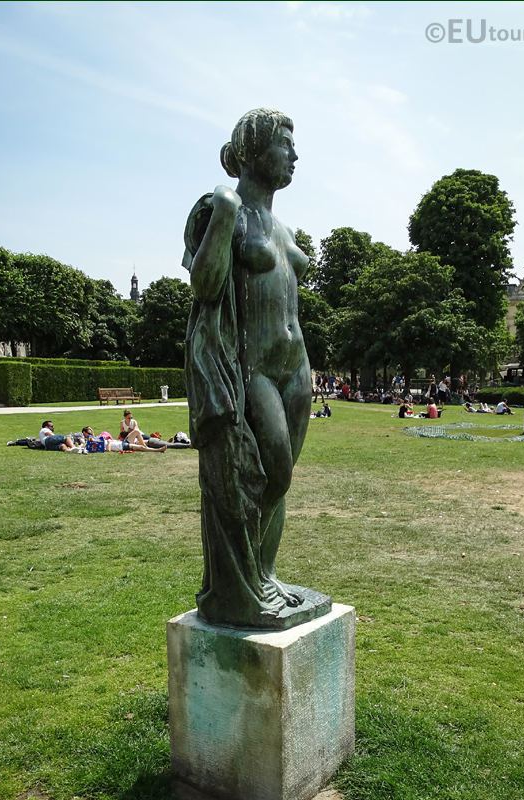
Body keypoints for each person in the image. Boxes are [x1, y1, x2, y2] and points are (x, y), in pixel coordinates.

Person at [183, 107, 314, 627]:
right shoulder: (226, 210)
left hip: (296, 368)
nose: (295, 154)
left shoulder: (282, 227)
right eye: (286, 142)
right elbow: (205, 284)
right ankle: (236, 587)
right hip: (252, 368)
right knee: (267, 472)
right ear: (254, 150)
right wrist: (221, 210)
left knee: (281, 482)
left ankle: (265, 574)